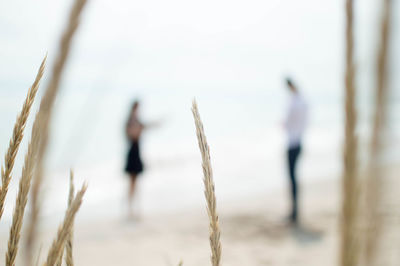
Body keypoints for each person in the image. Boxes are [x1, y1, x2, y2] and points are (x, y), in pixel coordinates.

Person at [283, 78, 308, 225]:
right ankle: (295, 211)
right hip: (299, 142)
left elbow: (287, 122)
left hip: (293, 144)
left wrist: (284, 124)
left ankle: (294, 212)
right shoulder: (304, 102)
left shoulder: (294, 103)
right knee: (294, 178)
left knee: (292, 178)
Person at [125, 100, 144, 217]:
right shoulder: (130, 121)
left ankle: (134, 208)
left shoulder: (136, 120)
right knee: (131, 182)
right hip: (132, 152)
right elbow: (131, 134)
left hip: (137, 151)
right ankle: (130, 209)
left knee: (135, 182)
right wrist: (139, 130)